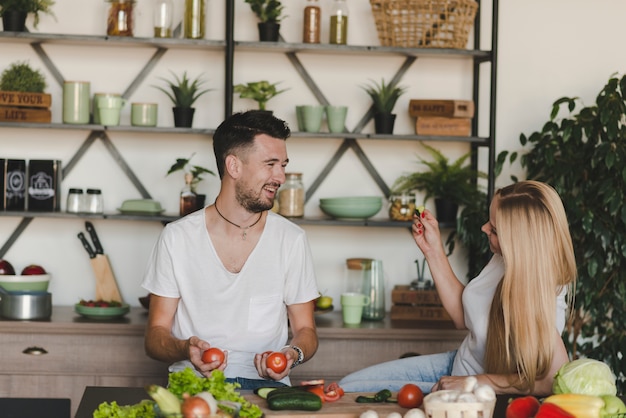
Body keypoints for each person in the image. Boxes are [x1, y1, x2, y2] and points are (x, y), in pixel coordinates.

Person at [339, 180, 576, 396]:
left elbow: (548, 381)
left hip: (470, 389)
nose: (484, 228)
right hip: (456, 364)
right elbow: (463, 317)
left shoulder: (540, 291)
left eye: (494, 229)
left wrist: (475, 381)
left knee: (349, 394)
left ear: (517, 241)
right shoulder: (504, 259)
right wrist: (432, 250)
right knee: (345, 386)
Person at [142, 110, 320, 390]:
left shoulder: (291, 239)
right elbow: (154, 336)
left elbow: (305, 331)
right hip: (194, 385)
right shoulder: (177, 238)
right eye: (270, 164)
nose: (281, 177)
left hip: (267, 386)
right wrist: (184, 349)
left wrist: (292, 354)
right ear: (234, 166)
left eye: (283, 165)